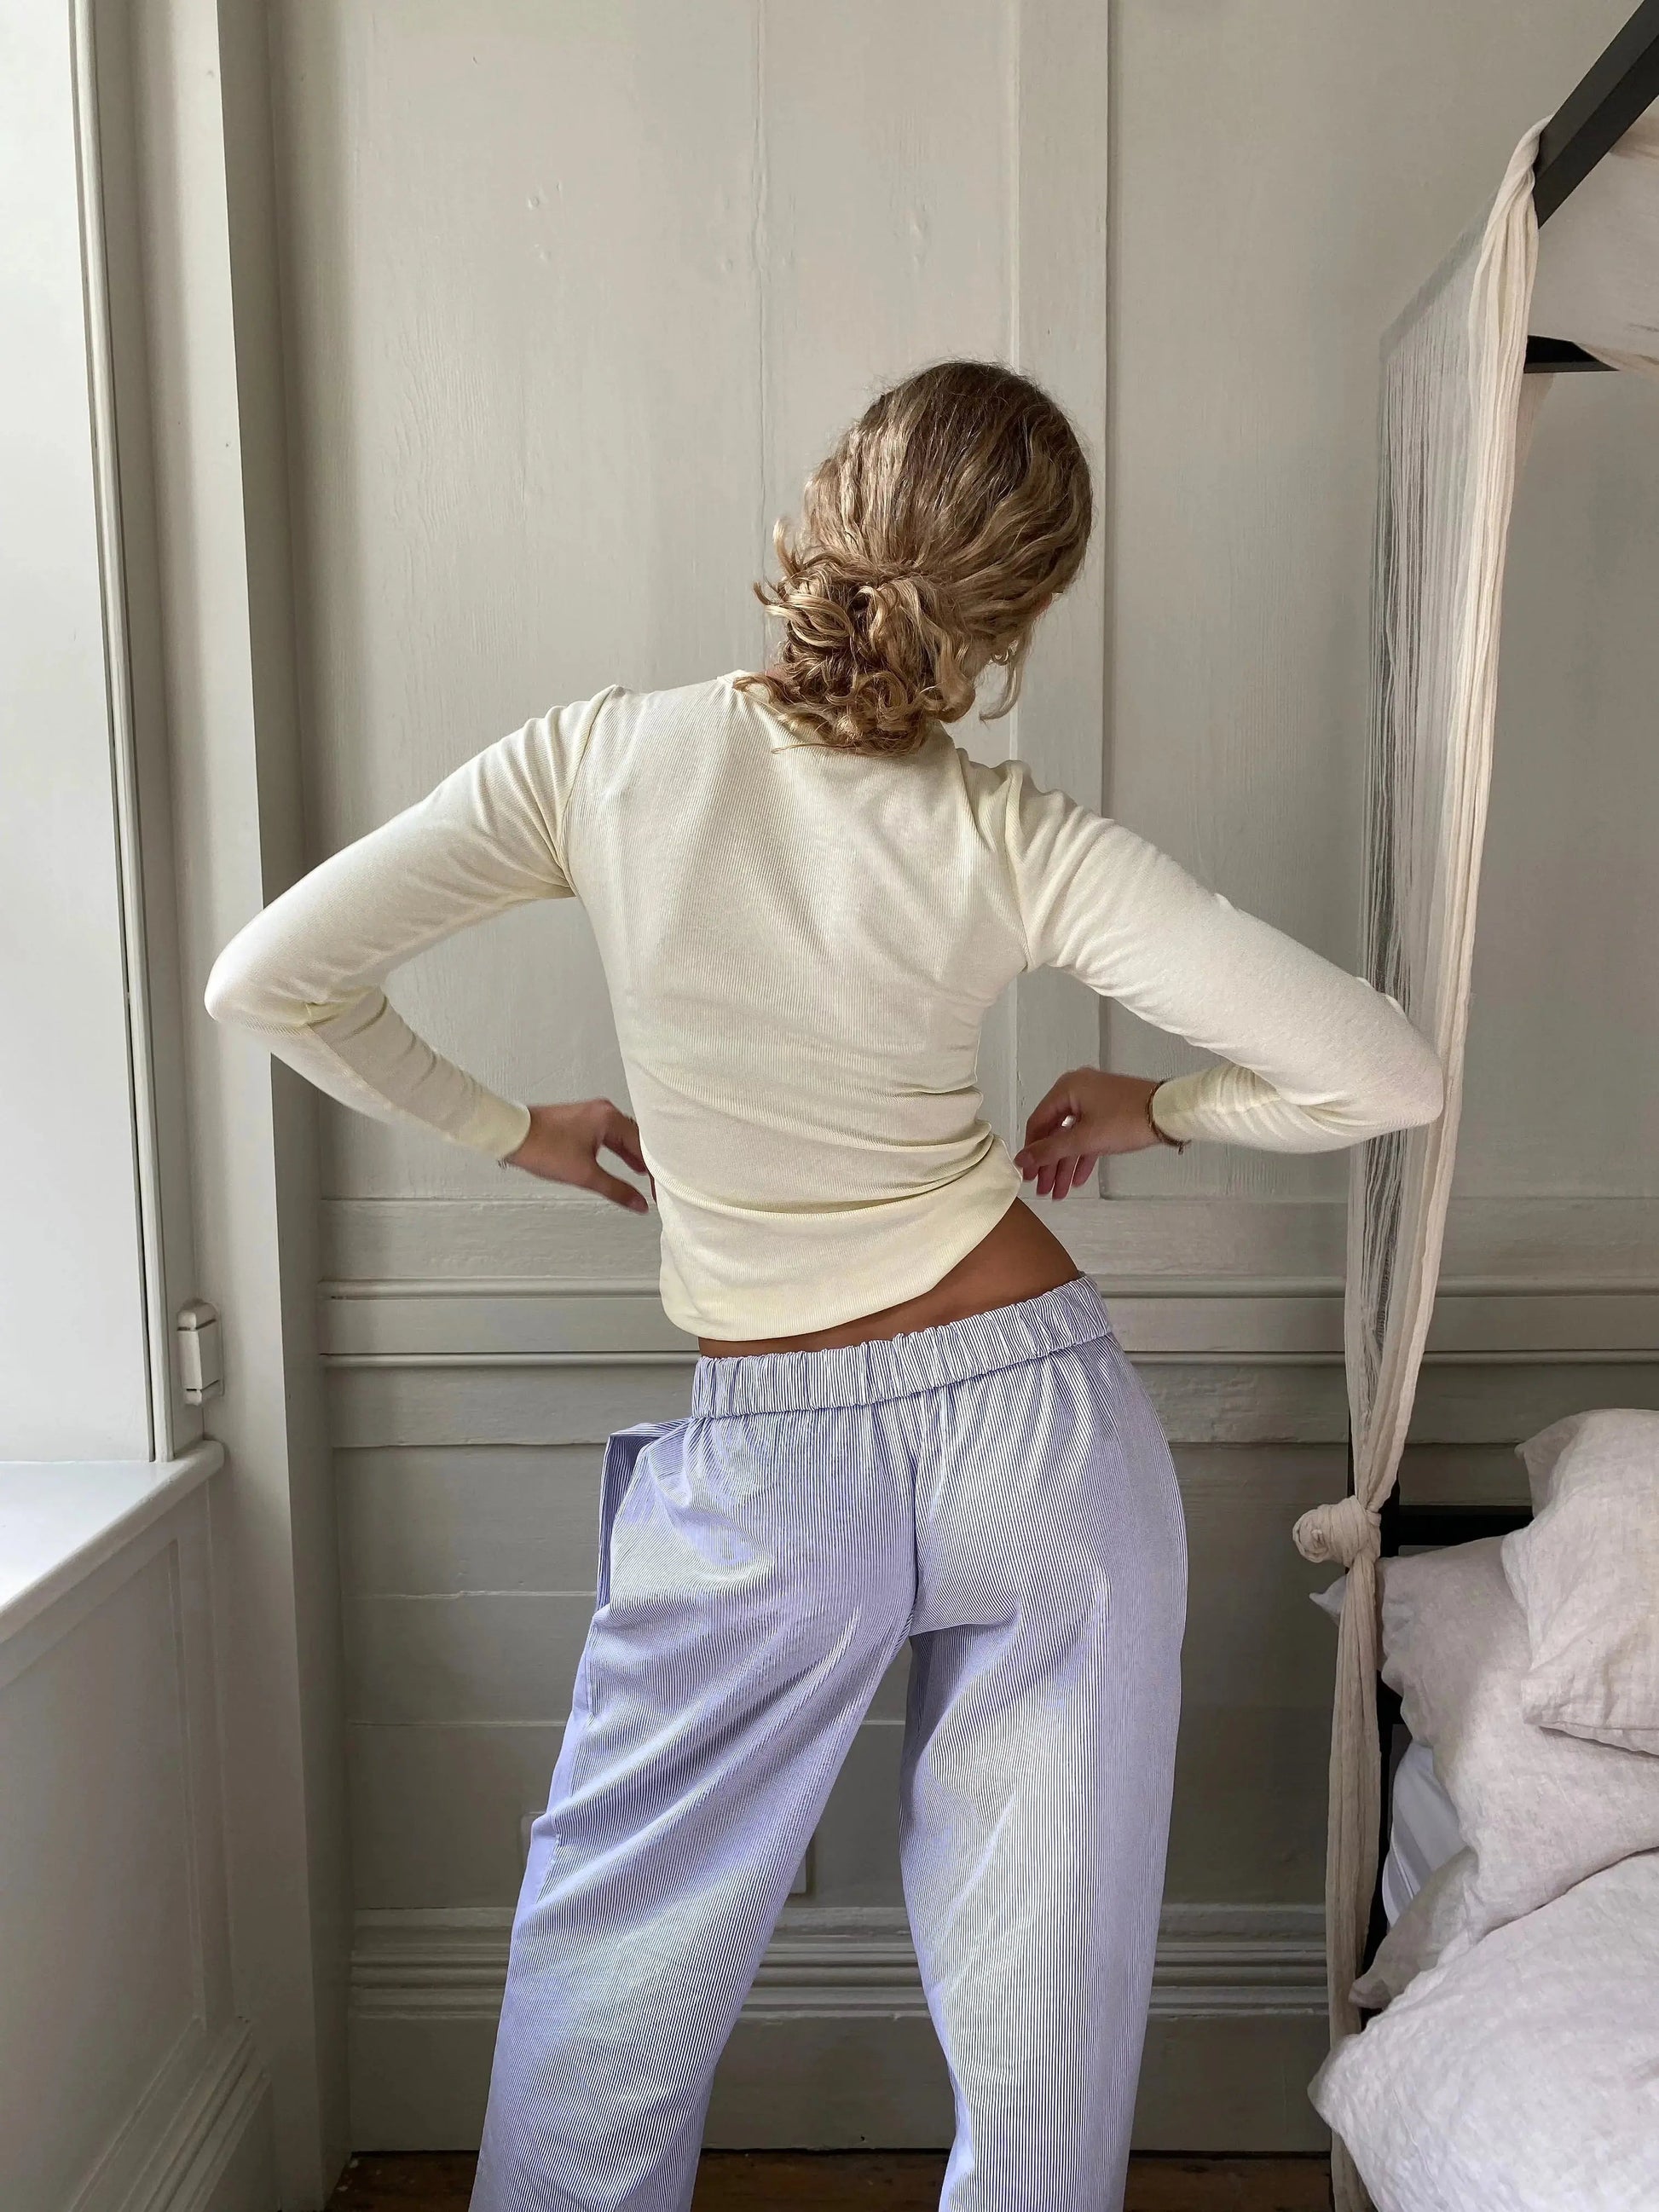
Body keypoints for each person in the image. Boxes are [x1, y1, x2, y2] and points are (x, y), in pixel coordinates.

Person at [205, 359, 1444, 2212]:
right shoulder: (1014, 836)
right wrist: (1160, 1107)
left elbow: (268, 980)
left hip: (774, 1448)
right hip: (1040, 1424)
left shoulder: (597, 760)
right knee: (1044, 2000)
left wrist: (505, 1127)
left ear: (822, 508)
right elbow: (1385, 1074)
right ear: (1018, 616)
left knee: (611, 1971)